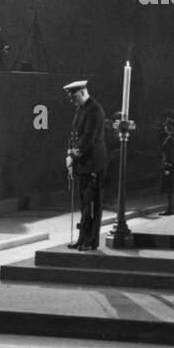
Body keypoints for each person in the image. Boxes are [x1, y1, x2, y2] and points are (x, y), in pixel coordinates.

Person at [64, 79, 108, 250]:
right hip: (83, 163)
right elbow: (74, 135)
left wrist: (73, 156)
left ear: (82, 92)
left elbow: (88, 138)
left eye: (73, 96)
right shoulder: (82, 109)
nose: (71, 100)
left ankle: (91, 242)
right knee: (84, 204)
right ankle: (83, 239)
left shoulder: (95, 110)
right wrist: (69, 154)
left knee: (92, 204)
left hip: (94, 164)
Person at [159, 113, 174, 216]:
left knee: (169, 188)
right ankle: (172, 208)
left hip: (170, 166)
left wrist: (167, 167)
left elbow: (169, 154)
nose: (165, 127)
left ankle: (170, 209)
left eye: (166, 126)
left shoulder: (170, 139)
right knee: (173, 188)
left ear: (170, 127)